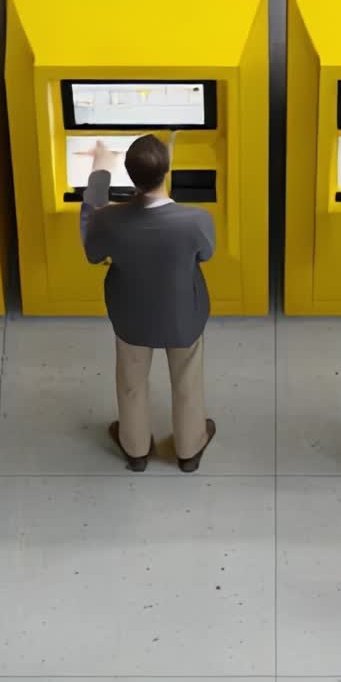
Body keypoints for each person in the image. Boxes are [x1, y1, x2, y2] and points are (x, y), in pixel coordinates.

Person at [80, 135, 216, 473]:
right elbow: (206, 254)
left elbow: (92, 249)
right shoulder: (196, 219)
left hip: (131, 314)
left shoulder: (109, 220)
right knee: (187, 381)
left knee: (131, 381)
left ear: (129, 175)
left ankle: (136, 449)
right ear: (167, 171)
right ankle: (189, 449)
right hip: (183, 314)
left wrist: (99, 172)